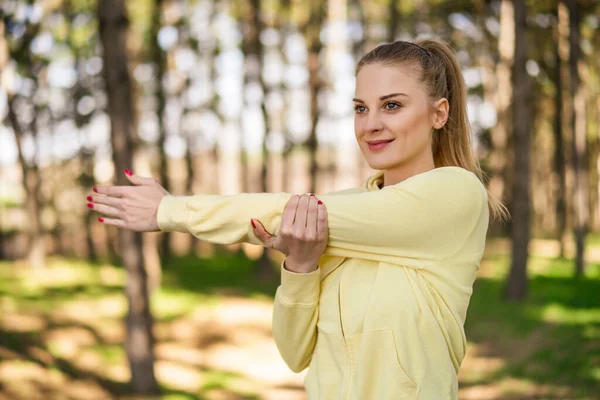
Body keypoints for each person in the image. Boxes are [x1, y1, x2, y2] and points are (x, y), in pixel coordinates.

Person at [87, 39, 508, 399]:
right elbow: (295, 353)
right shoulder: (345, 209)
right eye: (361, 109)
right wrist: (301, 266)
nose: (371, 125)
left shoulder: (456, 194)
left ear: (439, 113)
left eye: (392, 106)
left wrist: (170, 210)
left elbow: (280, 210)